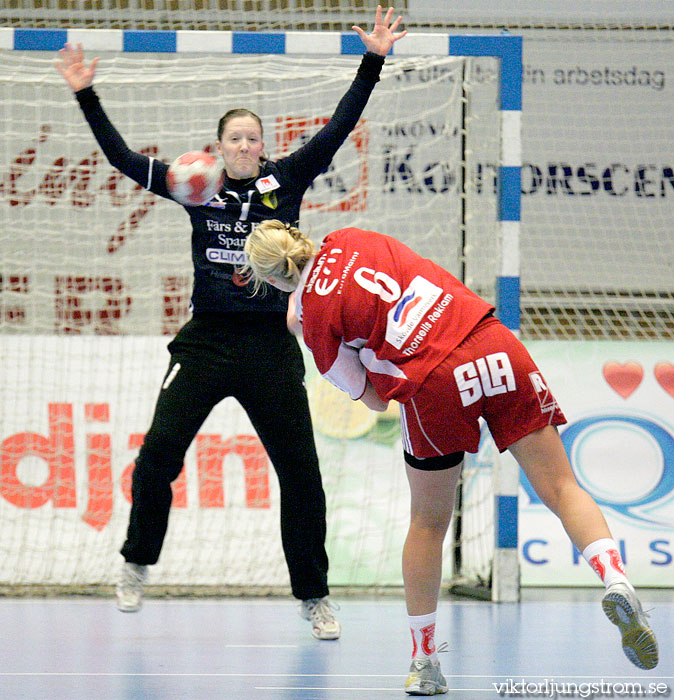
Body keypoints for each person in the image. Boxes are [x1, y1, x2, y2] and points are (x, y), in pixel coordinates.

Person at [55, 7, 408, 640]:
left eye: (253, 138)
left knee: (301, 472)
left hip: (271, 344)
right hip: (207, 341)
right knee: (158, 455)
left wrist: (373, 59)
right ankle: (137, 563)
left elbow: (340, 124)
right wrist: (86, 94)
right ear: (219, 149)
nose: (244, 146)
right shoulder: (197, 187)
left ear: (262, 146)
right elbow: (120, 157)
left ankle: (314, 596)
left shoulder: (288, 178)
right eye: (234, 139)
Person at [242, 220, 659, 693]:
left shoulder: (315, 323)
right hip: (492, 342)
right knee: (563, 488)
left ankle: (424, 663)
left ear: (272, 281)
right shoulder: (351, 236)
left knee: (428, 524)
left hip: (434, 381)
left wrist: (326, 331)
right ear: (299, 238)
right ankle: (616, 580)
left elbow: (377, 402)